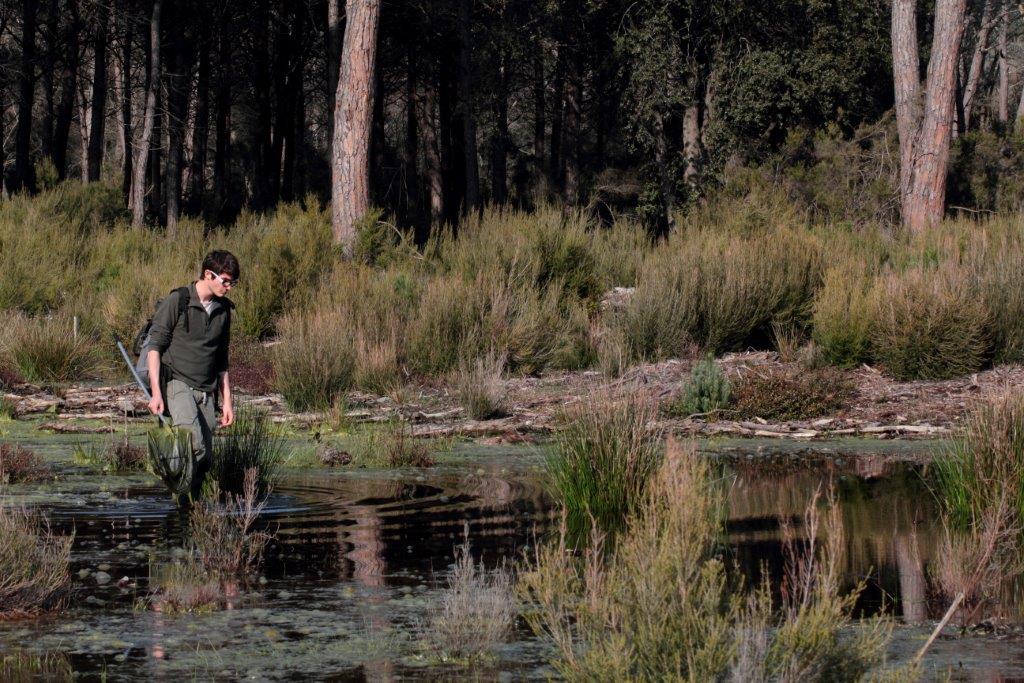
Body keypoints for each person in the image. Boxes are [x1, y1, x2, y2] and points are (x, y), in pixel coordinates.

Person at [145, 250, 238, 502]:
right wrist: (156, 392)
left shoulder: (223, 310)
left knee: (205, 459)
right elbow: (154, 348)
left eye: (232, 283)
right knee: (193, 445)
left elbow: (222, 360)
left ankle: (189, 508)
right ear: (209, 274)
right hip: (177, 383)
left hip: (206, 390)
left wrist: (227, 400)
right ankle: (177, 493)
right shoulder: (179, 300)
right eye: (225, 281)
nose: (228, 287)